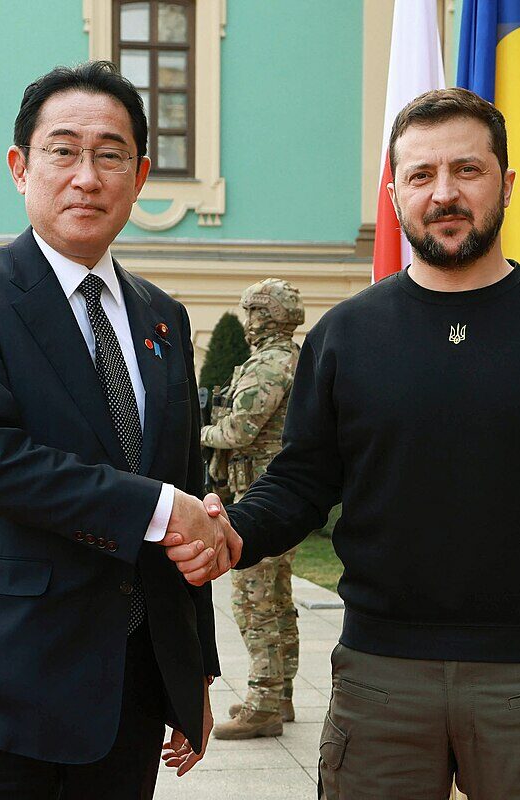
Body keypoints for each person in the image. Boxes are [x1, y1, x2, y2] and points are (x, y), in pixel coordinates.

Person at [168, 87, 520, 798]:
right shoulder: (345, 336)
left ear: (506, 184)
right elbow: (304, 477)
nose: (445, 193)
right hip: (379, 676)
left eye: (467, 170)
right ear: (396, 193)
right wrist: (232, 530)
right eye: (421, 176)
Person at [0, 61, 239, 800]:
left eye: (110, 154)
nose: (87, 176)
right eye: (63, 150)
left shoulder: (163, 318)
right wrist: (156, 507)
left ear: (139, 176)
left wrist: (192, 670)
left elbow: (190, 500)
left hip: (128, 690)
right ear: (22, 167)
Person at [201, 279, 304, 740]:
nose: (247, 322)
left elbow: (239, 430)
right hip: (279, 498)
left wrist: (197, 434)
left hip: (261, 500)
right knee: (278, 601)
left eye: (252, 312)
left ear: (265, 316)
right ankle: (279, 696)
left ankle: (263, 704)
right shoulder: (293, 359)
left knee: (252, 603)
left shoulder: (270, 365)